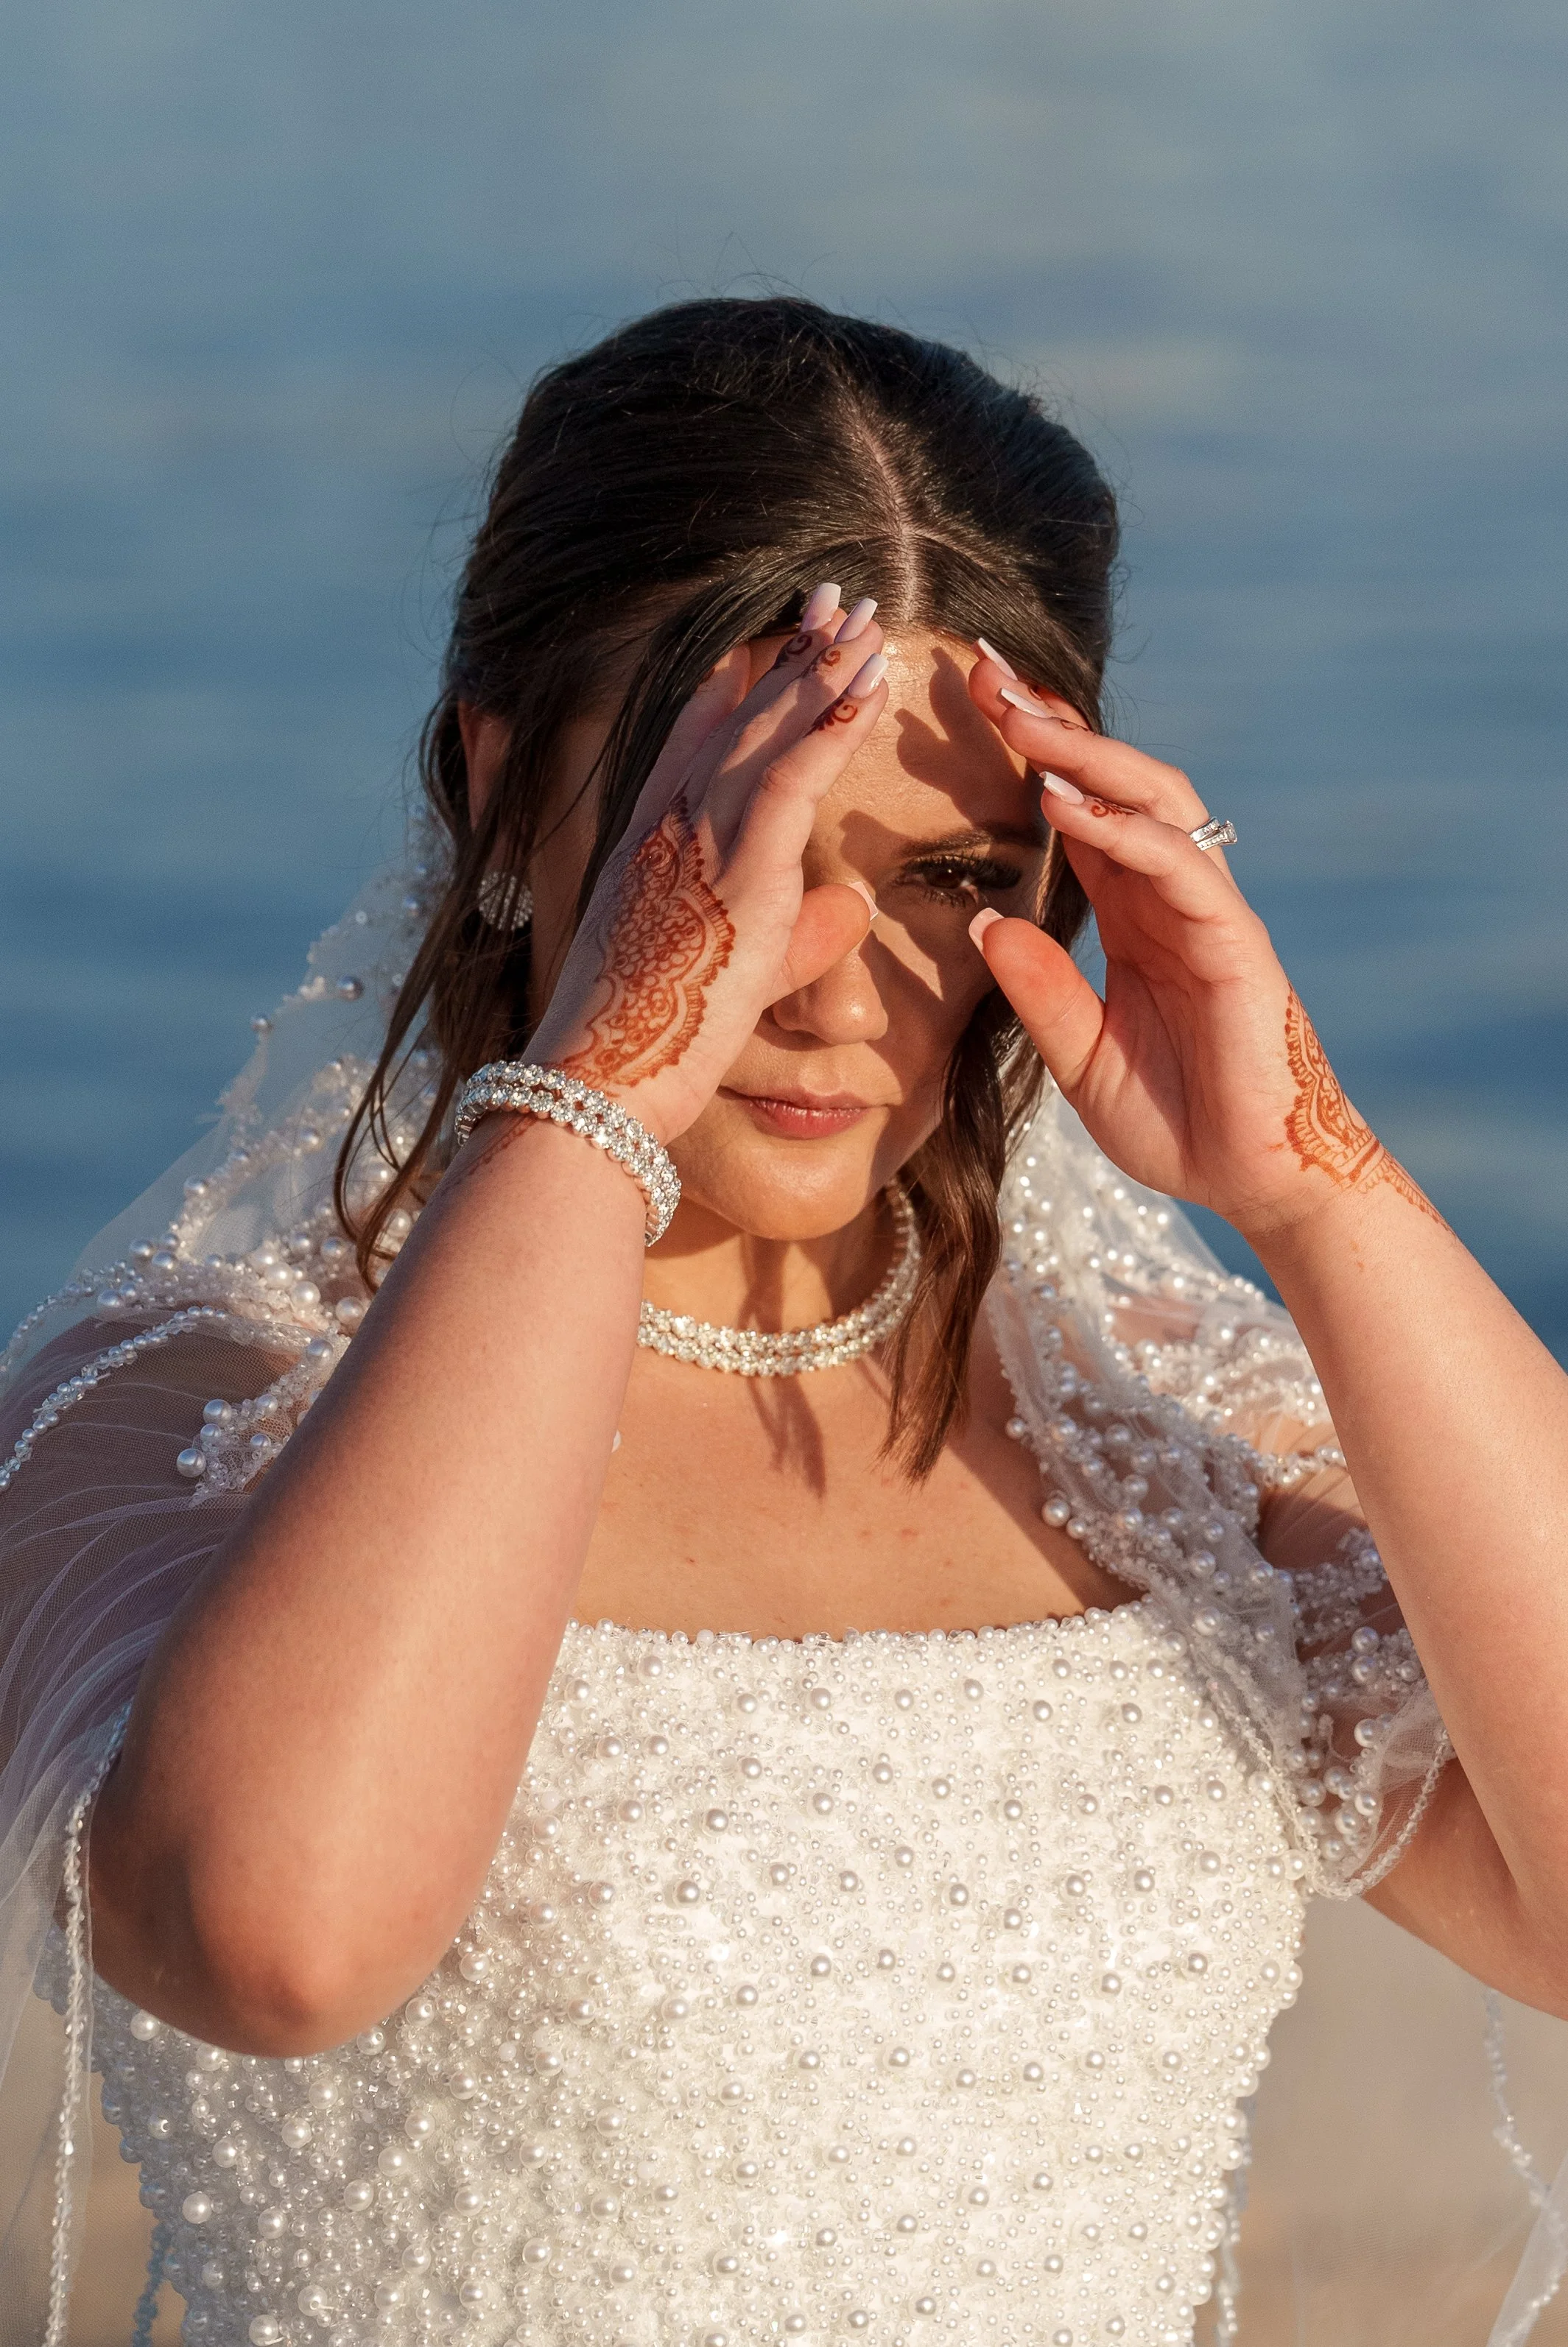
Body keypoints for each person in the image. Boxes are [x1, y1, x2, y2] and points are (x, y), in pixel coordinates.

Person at [2, 296, 1567, 2347]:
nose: (832, 988)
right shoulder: (196, 1396)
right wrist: (610, 1087)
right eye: (739, 852)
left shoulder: (1153, 1428)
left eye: (948, 880)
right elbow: (271, 1939)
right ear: (496, 790)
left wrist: (1315, 1187)